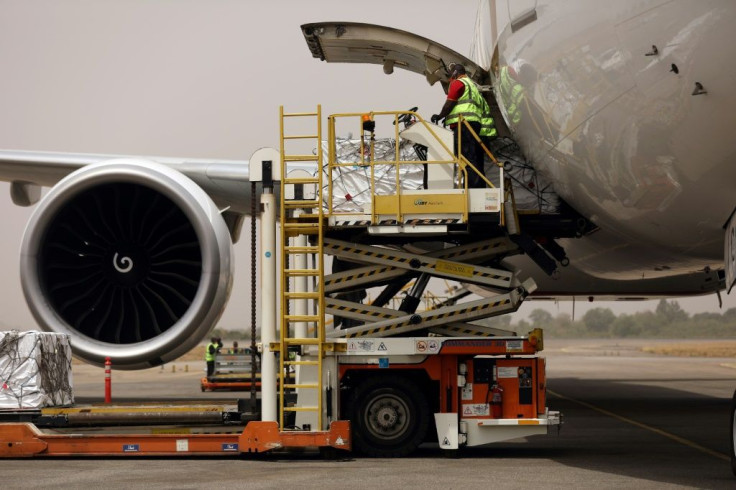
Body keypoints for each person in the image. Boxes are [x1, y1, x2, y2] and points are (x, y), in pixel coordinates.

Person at [431, 63, 487, 188]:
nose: (450, 78)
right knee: (475, 157)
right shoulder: (472, 85)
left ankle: (472, 187)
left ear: (455, 73)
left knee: (466, 156)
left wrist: (440, 116)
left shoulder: (458, 83)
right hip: (474, 123)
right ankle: (479, 186)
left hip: (463, 124)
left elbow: (450, 102)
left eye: (451, 75)